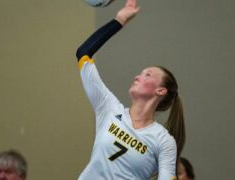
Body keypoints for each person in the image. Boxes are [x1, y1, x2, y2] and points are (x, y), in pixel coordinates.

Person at [75, 0, 185, 179]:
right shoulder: (109, 108)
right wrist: (119, 20)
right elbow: (83, 53)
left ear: (160, 91)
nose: (137, 76)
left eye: (147, 75)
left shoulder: (163, 141)